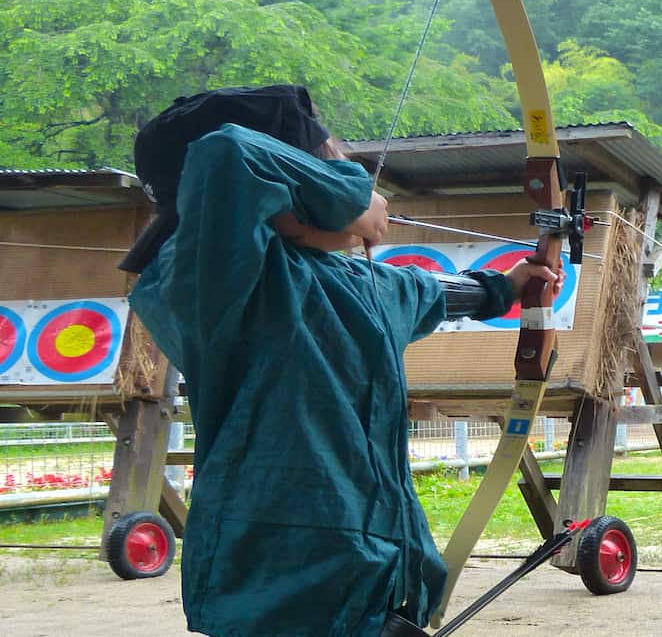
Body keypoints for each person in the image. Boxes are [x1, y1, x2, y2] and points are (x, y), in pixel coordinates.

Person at [119, 85, 559, 636]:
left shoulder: (359, 282)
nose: (370, 196)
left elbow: (432, 291)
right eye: (343, 172)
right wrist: (350, 199)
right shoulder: (211, 283)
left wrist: (508, 285)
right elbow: (228, 154)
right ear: (292, 192)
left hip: (382, 575)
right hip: (279, 585)